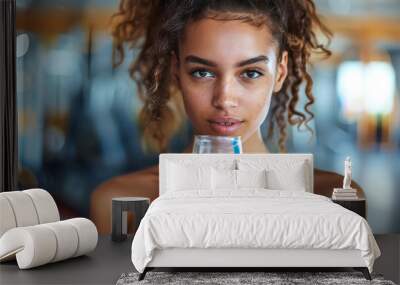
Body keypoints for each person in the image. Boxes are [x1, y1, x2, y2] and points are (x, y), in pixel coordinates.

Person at [90, 0, 361, 234]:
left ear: (279, 73)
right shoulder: (121, 201)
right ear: (176, 72)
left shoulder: (329, 197)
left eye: (251, 73)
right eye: (202, 72)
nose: (224, 99)